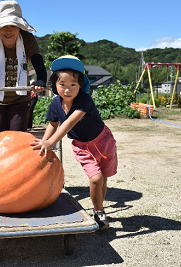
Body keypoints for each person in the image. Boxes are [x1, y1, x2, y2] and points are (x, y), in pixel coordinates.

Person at [30, 56, 117, 230]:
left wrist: (51, 142)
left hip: (103, 141)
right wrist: (45, 141)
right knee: (96, 178)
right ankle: (99, 212)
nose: (67, 89)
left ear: (81, 86)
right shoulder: (55, 103)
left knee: (103, 178)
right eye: (62, 84)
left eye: (73, 85)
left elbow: (69, 123)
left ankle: (100, 211)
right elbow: (53, 124)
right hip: (82, 146)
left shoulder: (84, 100)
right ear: (55, 84)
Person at [0, 0, 47, 133]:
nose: (8, 30)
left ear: (19, 27)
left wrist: (41, 80)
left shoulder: (28, 38)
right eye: (4, 26)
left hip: (20, 97)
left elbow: (39, 64)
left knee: (17, 137)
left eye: (13, 26)